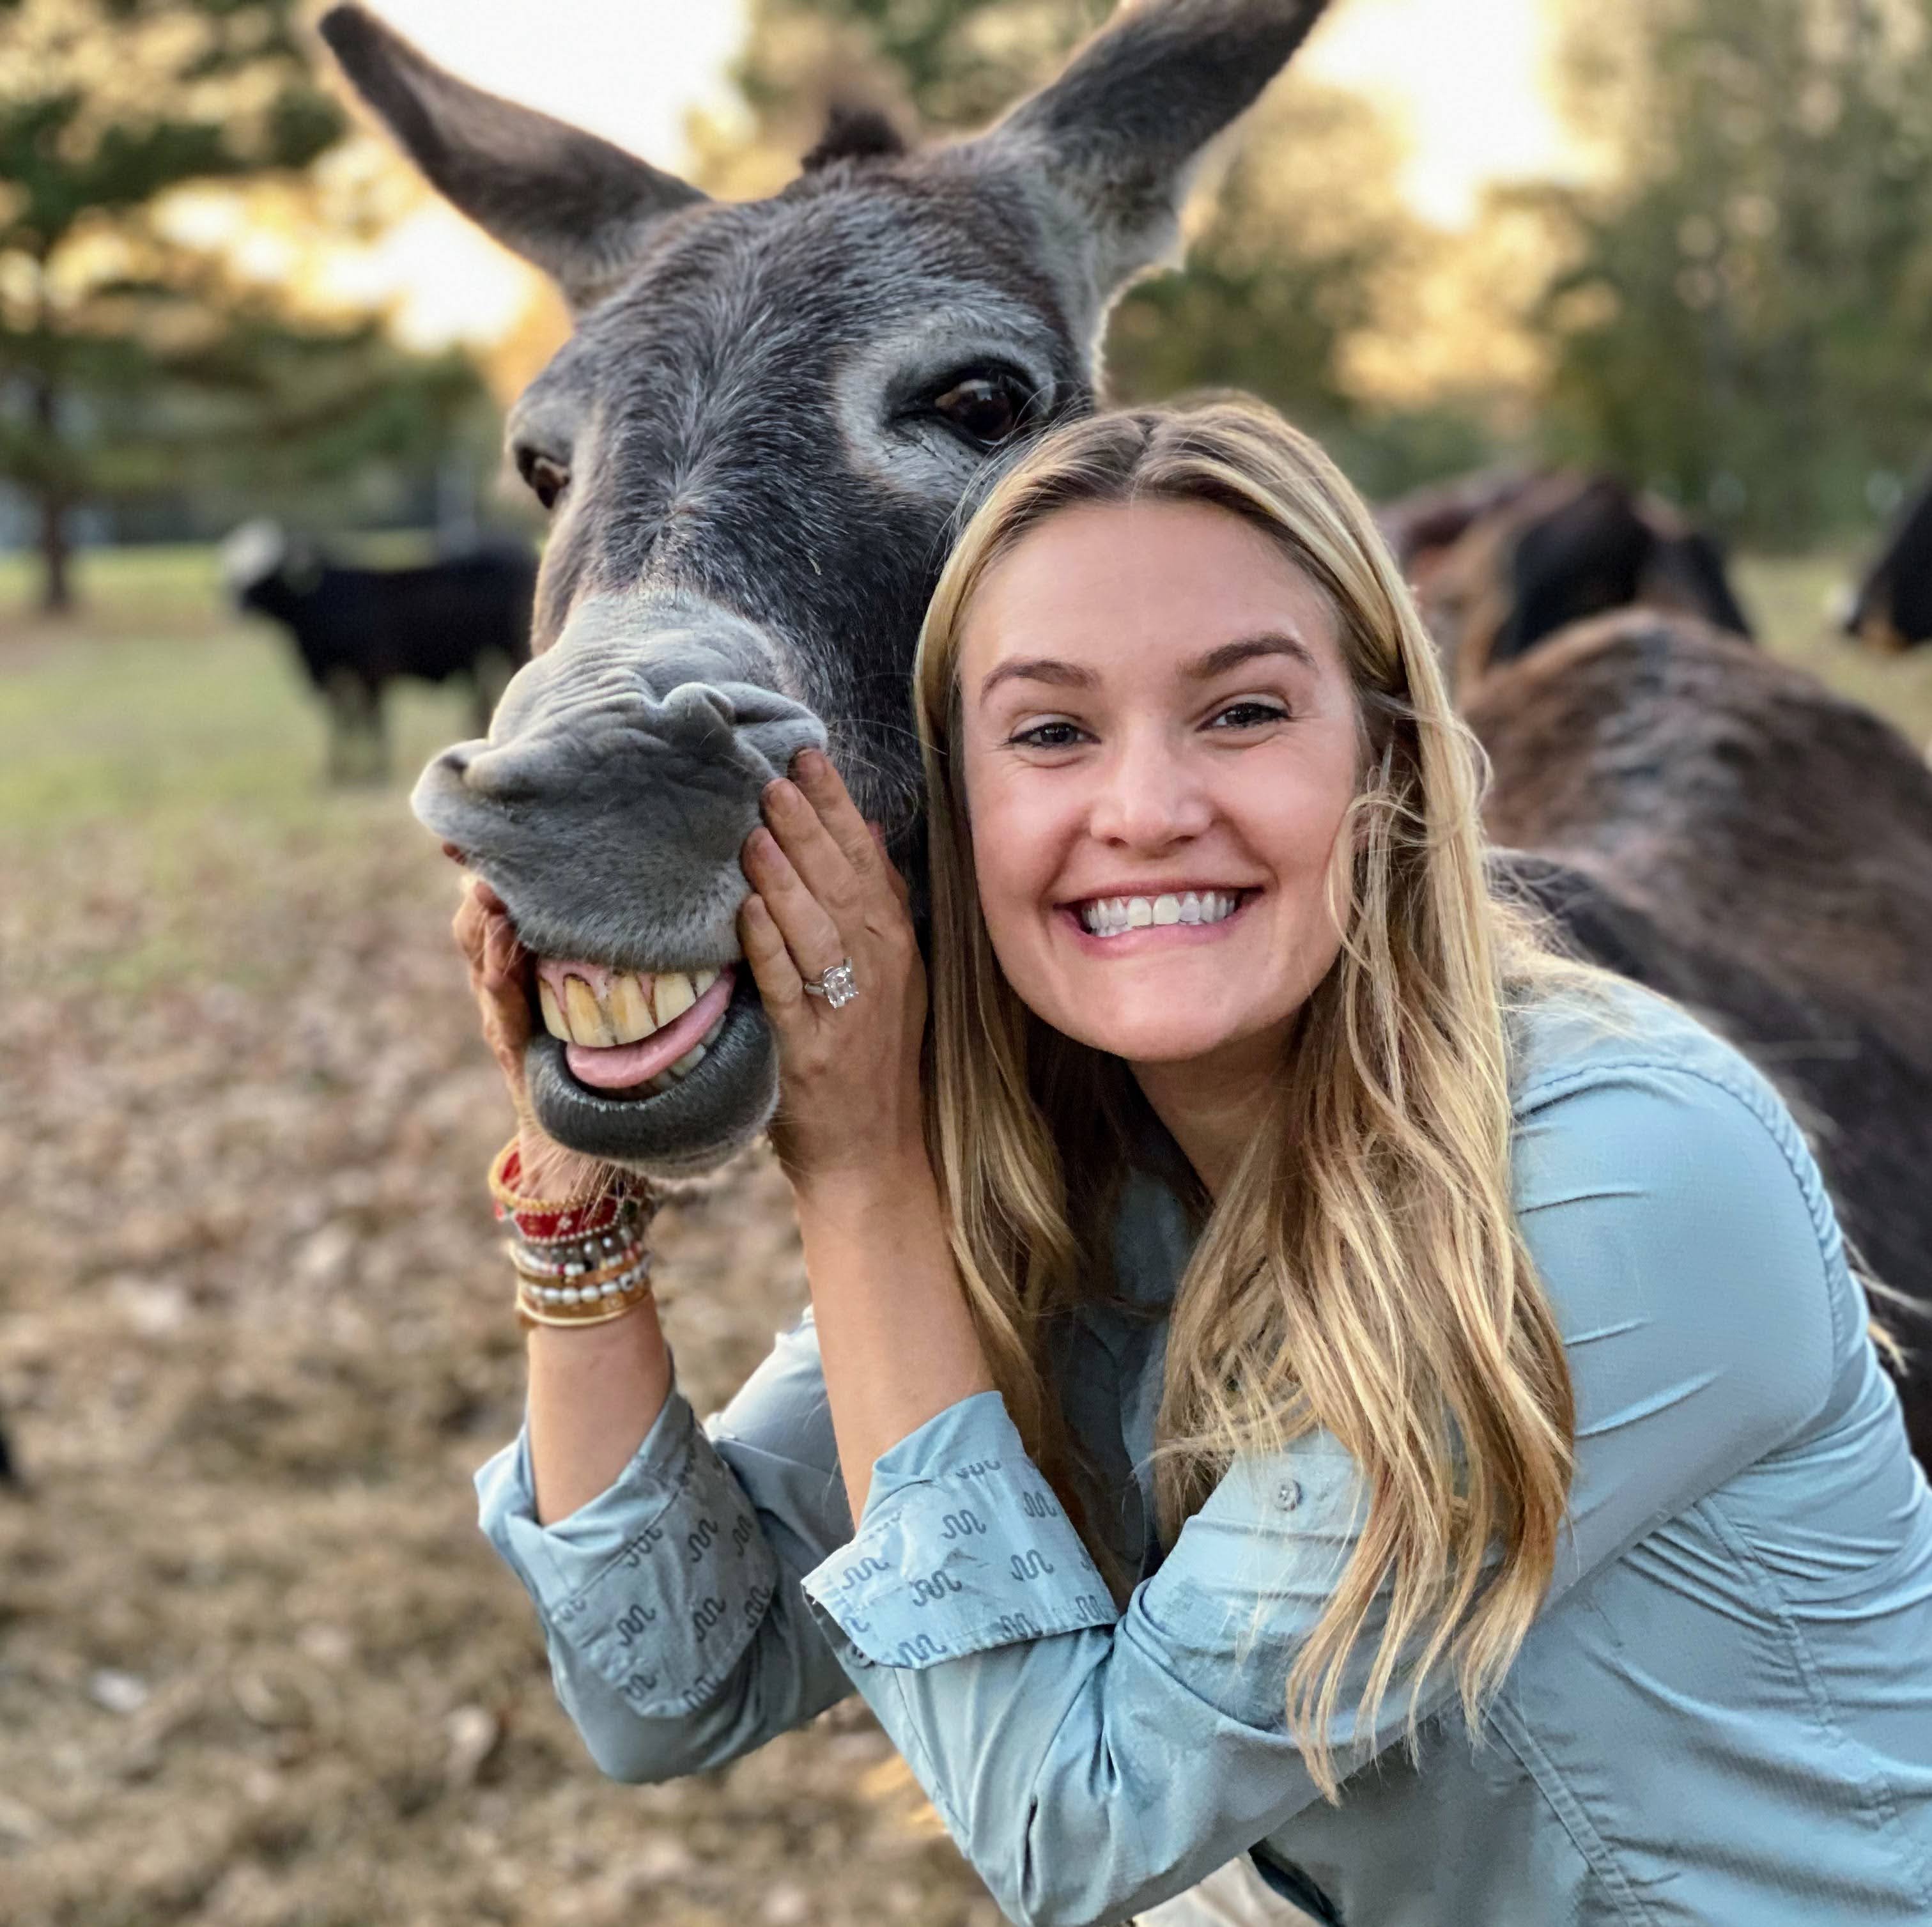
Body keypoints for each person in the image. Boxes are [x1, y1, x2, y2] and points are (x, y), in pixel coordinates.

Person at [456, 401, 1932, 1927]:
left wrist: (862, 1172)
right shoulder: (1072, 1171)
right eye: (1049, 732)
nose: (1148, 811)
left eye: (1242, 713)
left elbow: (1074, 1826)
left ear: (1391, 762)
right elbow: (669, 1680)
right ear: (957, 812)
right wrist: (578, 1185)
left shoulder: (1620, 1180)